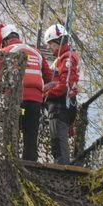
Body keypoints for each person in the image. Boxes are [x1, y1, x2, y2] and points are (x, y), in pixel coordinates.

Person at [0, 21, 45, 161]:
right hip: (36, 100)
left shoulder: (6, 51)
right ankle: (30, 164)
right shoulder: (36, 52)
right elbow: (49, 75)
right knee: (31, 134)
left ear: (4, 41)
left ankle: (11, 161)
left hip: (16, 98)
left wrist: (5, 90)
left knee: (12, 130)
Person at [41, 23, 80, 165]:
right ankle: (61, 164)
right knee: (56, 142)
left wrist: (46, 94)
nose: (49, 47)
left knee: (59, 142)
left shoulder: (67, 58)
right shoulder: (63, 58)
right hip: (61, 104)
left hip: (61, 105)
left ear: (58, 42)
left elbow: (65, 84)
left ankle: (63, 168)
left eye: (50, 44)